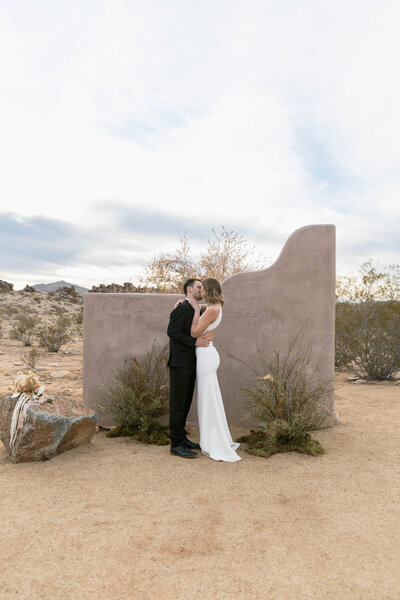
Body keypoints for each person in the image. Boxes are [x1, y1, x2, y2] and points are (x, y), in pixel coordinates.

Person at [188, 277, 241, 462]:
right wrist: (191, 304)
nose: (200, 291)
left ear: (208, 290)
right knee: (208, 397)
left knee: (208, 398)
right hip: (207, 354)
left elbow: (194, 332)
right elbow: (200, 309)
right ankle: (212, 438)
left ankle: (214, 441)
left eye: (202, 289)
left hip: (205, 355)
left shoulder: (212, 309)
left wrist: (195, 310)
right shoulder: (214, 307)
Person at [167, 279, 210, 458]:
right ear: (190, 289)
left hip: (191, 363)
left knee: (185, 403)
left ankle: (182, 437)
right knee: (178, 404)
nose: (202, 290)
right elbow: (172, 332)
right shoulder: (183, 308)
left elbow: (214, 305)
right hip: (179, 363)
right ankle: (176, 444)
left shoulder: (195, 308)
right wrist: (194, 342)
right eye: (199, 287)